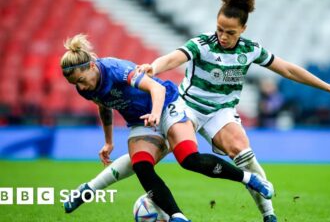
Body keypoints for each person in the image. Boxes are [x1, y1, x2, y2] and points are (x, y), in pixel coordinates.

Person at [137, 0, 330, 222]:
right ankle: (99, 184)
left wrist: (327, 86)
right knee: (155, 157)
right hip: (187, 108)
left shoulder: (250, 50)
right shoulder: (202, 44)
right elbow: (173, 58)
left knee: (245, 156)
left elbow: (288, 70)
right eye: (219, 29)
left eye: (230, 32)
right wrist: (154, 67)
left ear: (243, 29)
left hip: (220, 113)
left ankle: (269, 215)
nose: (223, 36)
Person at [60, 34, 273, 221]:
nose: (80, 87)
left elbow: (156, 89)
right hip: (141, 121)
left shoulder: (115, 70)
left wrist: (154, 113)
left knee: (189, 159)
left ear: (90, 66)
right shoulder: (86, 87)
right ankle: (177, 217)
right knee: (141, 165)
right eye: (75, 84)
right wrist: (108, 141)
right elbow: (104, 106)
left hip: (168, 105)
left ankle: (248, 179)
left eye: (80, 80)